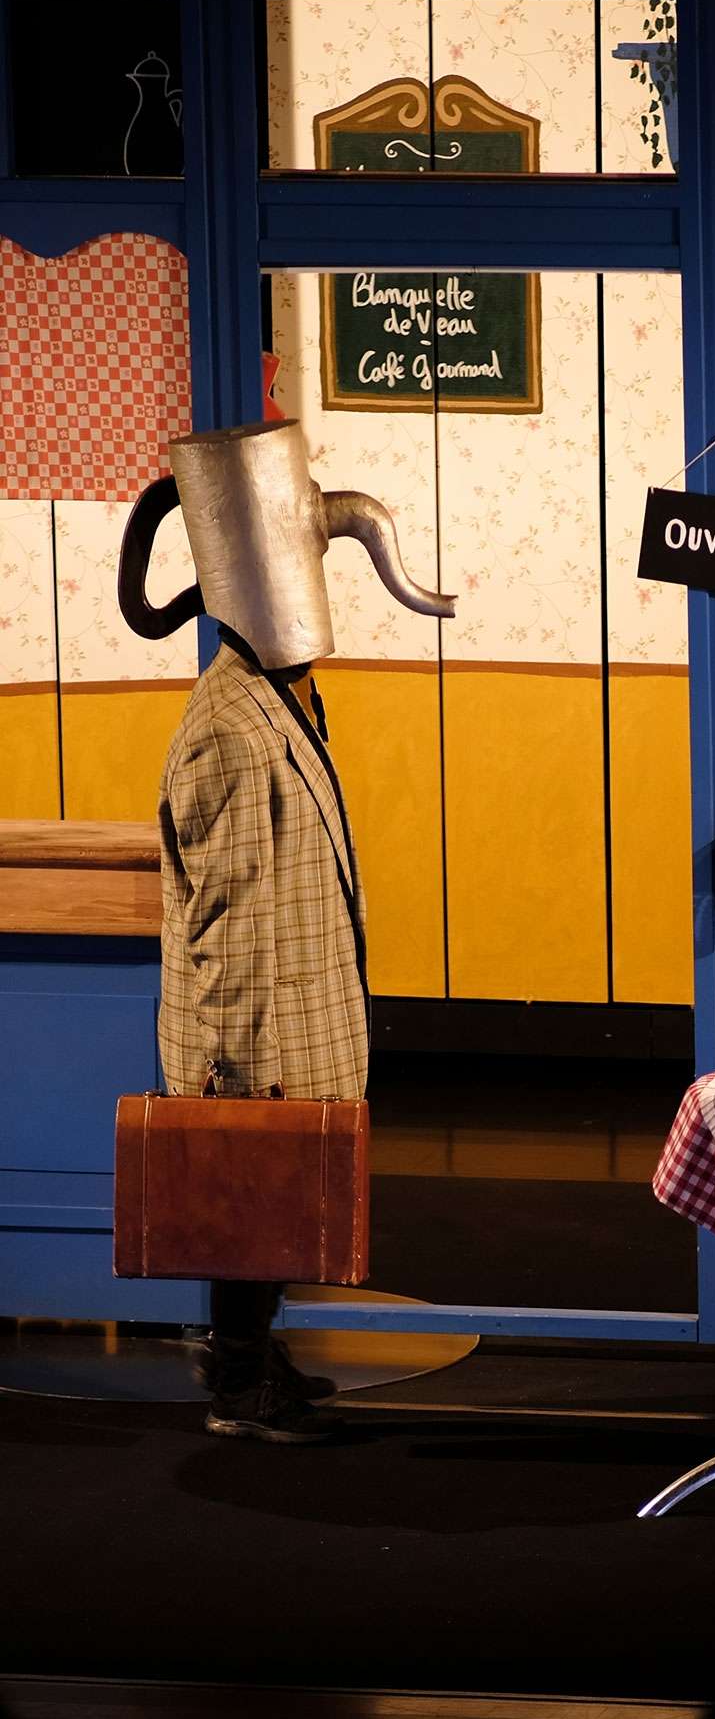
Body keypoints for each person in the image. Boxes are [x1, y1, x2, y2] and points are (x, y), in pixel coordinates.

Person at [119, 419, 453, 1441]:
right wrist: (229, 1073)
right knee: (245, 1195)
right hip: (255, 1030)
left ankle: (254, 1355)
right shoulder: (230, 724)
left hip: (292, 1011)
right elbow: (225, 917)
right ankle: (236, 1383)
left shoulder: (277, 698)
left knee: (272, 1205)